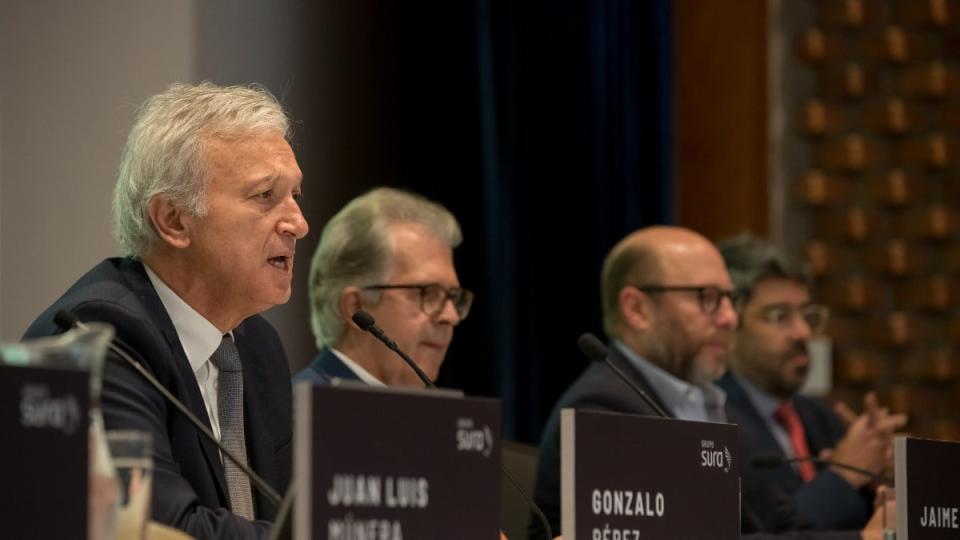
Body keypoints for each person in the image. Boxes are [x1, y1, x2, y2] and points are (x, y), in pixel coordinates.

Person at [24, 82, 308, 539]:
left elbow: (296, 513)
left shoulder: (256, 345)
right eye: (265, 196)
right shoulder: (99, 338)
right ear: (173, 220)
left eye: (296, 195)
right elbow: (164, 527)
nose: (299, 223)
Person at [530, 226, 893, 540]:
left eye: (730, 300)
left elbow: (783, 525)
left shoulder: (712, 405)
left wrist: (876, 528)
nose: (729, 319)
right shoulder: (605, 410)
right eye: (708, 298)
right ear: (637, 309)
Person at [717, 234, 906, 530]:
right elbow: (768, 532)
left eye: (807, 315)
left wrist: (886, 481)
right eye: (779, 316)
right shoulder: (715, 421)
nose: (803, 332)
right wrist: (842, 477)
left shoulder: (822, 419)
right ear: (729, 325)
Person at [293, 187, 472, 387]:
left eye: (453, 296)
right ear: (355, 307)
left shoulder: (415, 413)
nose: (451, 316)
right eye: (428, 293)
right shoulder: (301, 412)